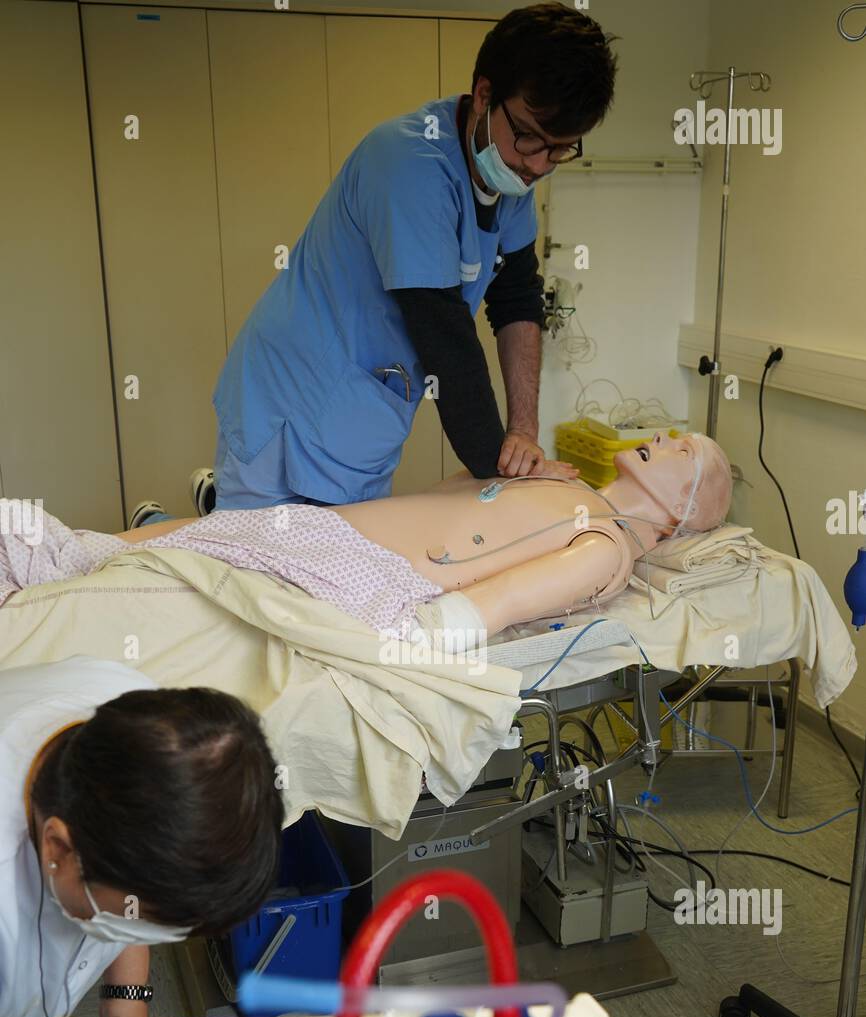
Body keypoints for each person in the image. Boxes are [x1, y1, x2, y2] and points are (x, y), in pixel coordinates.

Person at [134, 4, 619, 524]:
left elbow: (517, 295)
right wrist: (500, 470)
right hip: (293, 400)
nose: (538, 166)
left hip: (364, 414)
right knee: (261, 576)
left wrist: (523, 433)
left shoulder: (511, 176)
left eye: (559, 150)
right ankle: (166, 528)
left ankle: (214, 506)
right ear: (484, 95)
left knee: (336, 562)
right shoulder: (410, 164)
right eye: (529, 137)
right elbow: (444, 336)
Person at [0, 433, 732, 644]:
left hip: (358, 571)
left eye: (683, 450)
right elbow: (453, 501)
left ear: (685, 508)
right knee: (143, 544)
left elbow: (483, 610)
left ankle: (33, 602)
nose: (664, 436)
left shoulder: (604, 546)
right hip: (327, 531)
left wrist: (379, 651)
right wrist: (514, 473)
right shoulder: (570, 488)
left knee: (138, 570)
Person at [0, 658, 284, 1017]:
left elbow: (142, 867)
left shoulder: (141, 725)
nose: (136, 929)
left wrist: (125, 1007)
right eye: (131, 919)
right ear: (58, 848)